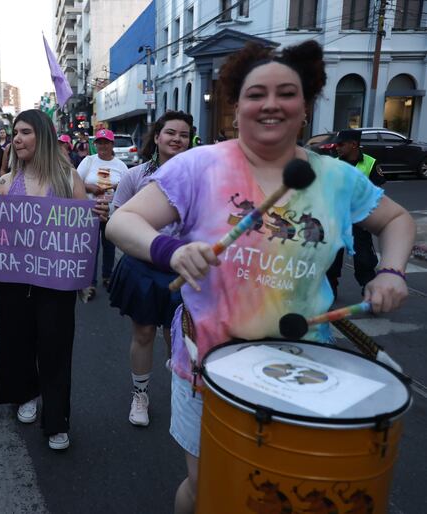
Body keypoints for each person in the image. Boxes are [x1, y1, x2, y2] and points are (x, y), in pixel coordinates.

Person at [105, 40, 414, 514]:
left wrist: (391, 271)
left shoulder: (336, 178)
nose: (271, 103)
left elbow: (396, 220)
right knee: (209, 485)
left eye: (286, 92)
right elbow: (122, 221)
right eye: (256, 94)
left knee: (282, 492)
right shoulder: (199, 165)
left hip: (303, 366)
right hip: (208, 366)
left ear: (306, 105)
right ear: (236, 107)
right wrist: (170, 249)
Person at [0, 109, 107, 450]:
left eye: (24, 132)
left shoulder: (67, 180)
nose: (17, 139)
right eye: (15, 133)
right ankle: (25, 394)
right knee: (17, 340)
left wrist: (98, 215)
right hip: (13, 282)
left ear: (43, 137)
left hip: (56, 282)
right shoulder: (6, 182)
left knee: (55, 347)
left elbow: (83, 227)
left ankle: (56, 419)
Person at [108, 111, 193, 427]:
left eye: (183, 135)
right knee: (143, 333)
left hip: (183, 271)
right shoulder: (135, 176)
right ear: (156, 137)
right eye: (170, 132)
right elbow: (119, 222)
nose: (176, 139)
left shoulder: (200, 178)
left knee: (180, 338)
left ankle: (181, 395)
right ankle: (139, 395)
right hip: (143, 269)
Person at [326, 128, 386, 298]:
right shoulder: (335, 164)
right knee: (331, 258)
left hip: (360, 221)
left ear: (354, 144)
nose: (337, 147)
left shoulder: (370, 163)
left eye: (340, 144)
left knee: (364, 259)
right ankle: (330, 289)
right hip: (337, 220)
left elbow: (378, 193)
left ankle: (369, 290)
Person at [77, 128, 127, 300]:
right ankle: (89, 282)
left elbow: (128, 188)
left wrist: (120, 188)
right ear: (95, 144)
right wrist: (89, 187)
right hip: (90, 212)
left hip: (111, 213)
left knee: (109, 247)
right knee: (91, 248)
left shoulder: (121, 166)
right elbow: (75, 182)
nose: (103, 146)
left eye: (106, 142)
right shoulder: (88, 161)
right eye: (99, 142)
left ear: (112, 144)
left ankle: (108, 277)